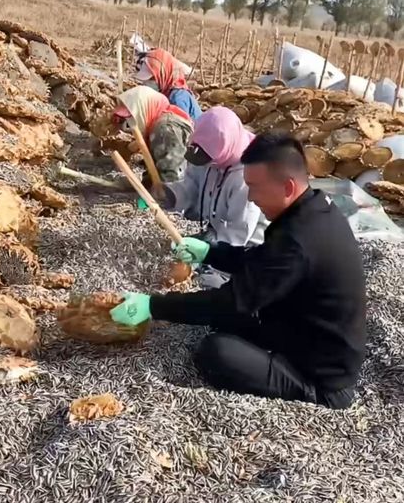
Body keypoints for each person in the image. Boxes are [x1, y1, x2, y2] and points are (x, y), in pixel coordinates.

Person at [110, 133, 367, 409]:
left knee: (216, 351)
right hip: (301, 330)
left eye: (254, 187)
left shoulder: (298, 240)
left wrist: (152, 305)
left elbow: (232, 302)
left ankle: (304, 391)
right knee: (224, 323)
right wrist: (211, 252)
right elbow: (263, 262)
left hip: (323, 377)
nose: (252, 198)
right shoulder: (314, 208)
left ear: (288, 187)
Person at [162, 106, 264, 288]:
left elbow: (238, 232)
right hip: (215, 232)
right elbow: (192, 184)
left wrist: (206, 252)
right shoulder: (206, 150)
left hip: (245, 250)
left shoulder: (246, 177)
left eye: (209, 159)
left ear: (223, 153)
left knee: (205, 283)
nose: (205, 164)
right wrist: (171, 195)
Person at [113, 85, 193, 183]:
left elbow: (172, 178)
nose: (129, 123)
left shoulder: (165, 130)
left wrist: (142, 197)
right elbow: (158, 169)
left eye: (131, 117)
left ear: (143, 109)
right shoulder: (158, 125)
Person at [135, 48, 202, 120]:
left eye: (152, 78)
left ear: (163, 75)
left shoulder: (177, 98)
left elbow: (180, 128)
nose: (146, 82)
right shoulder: (165, 92)